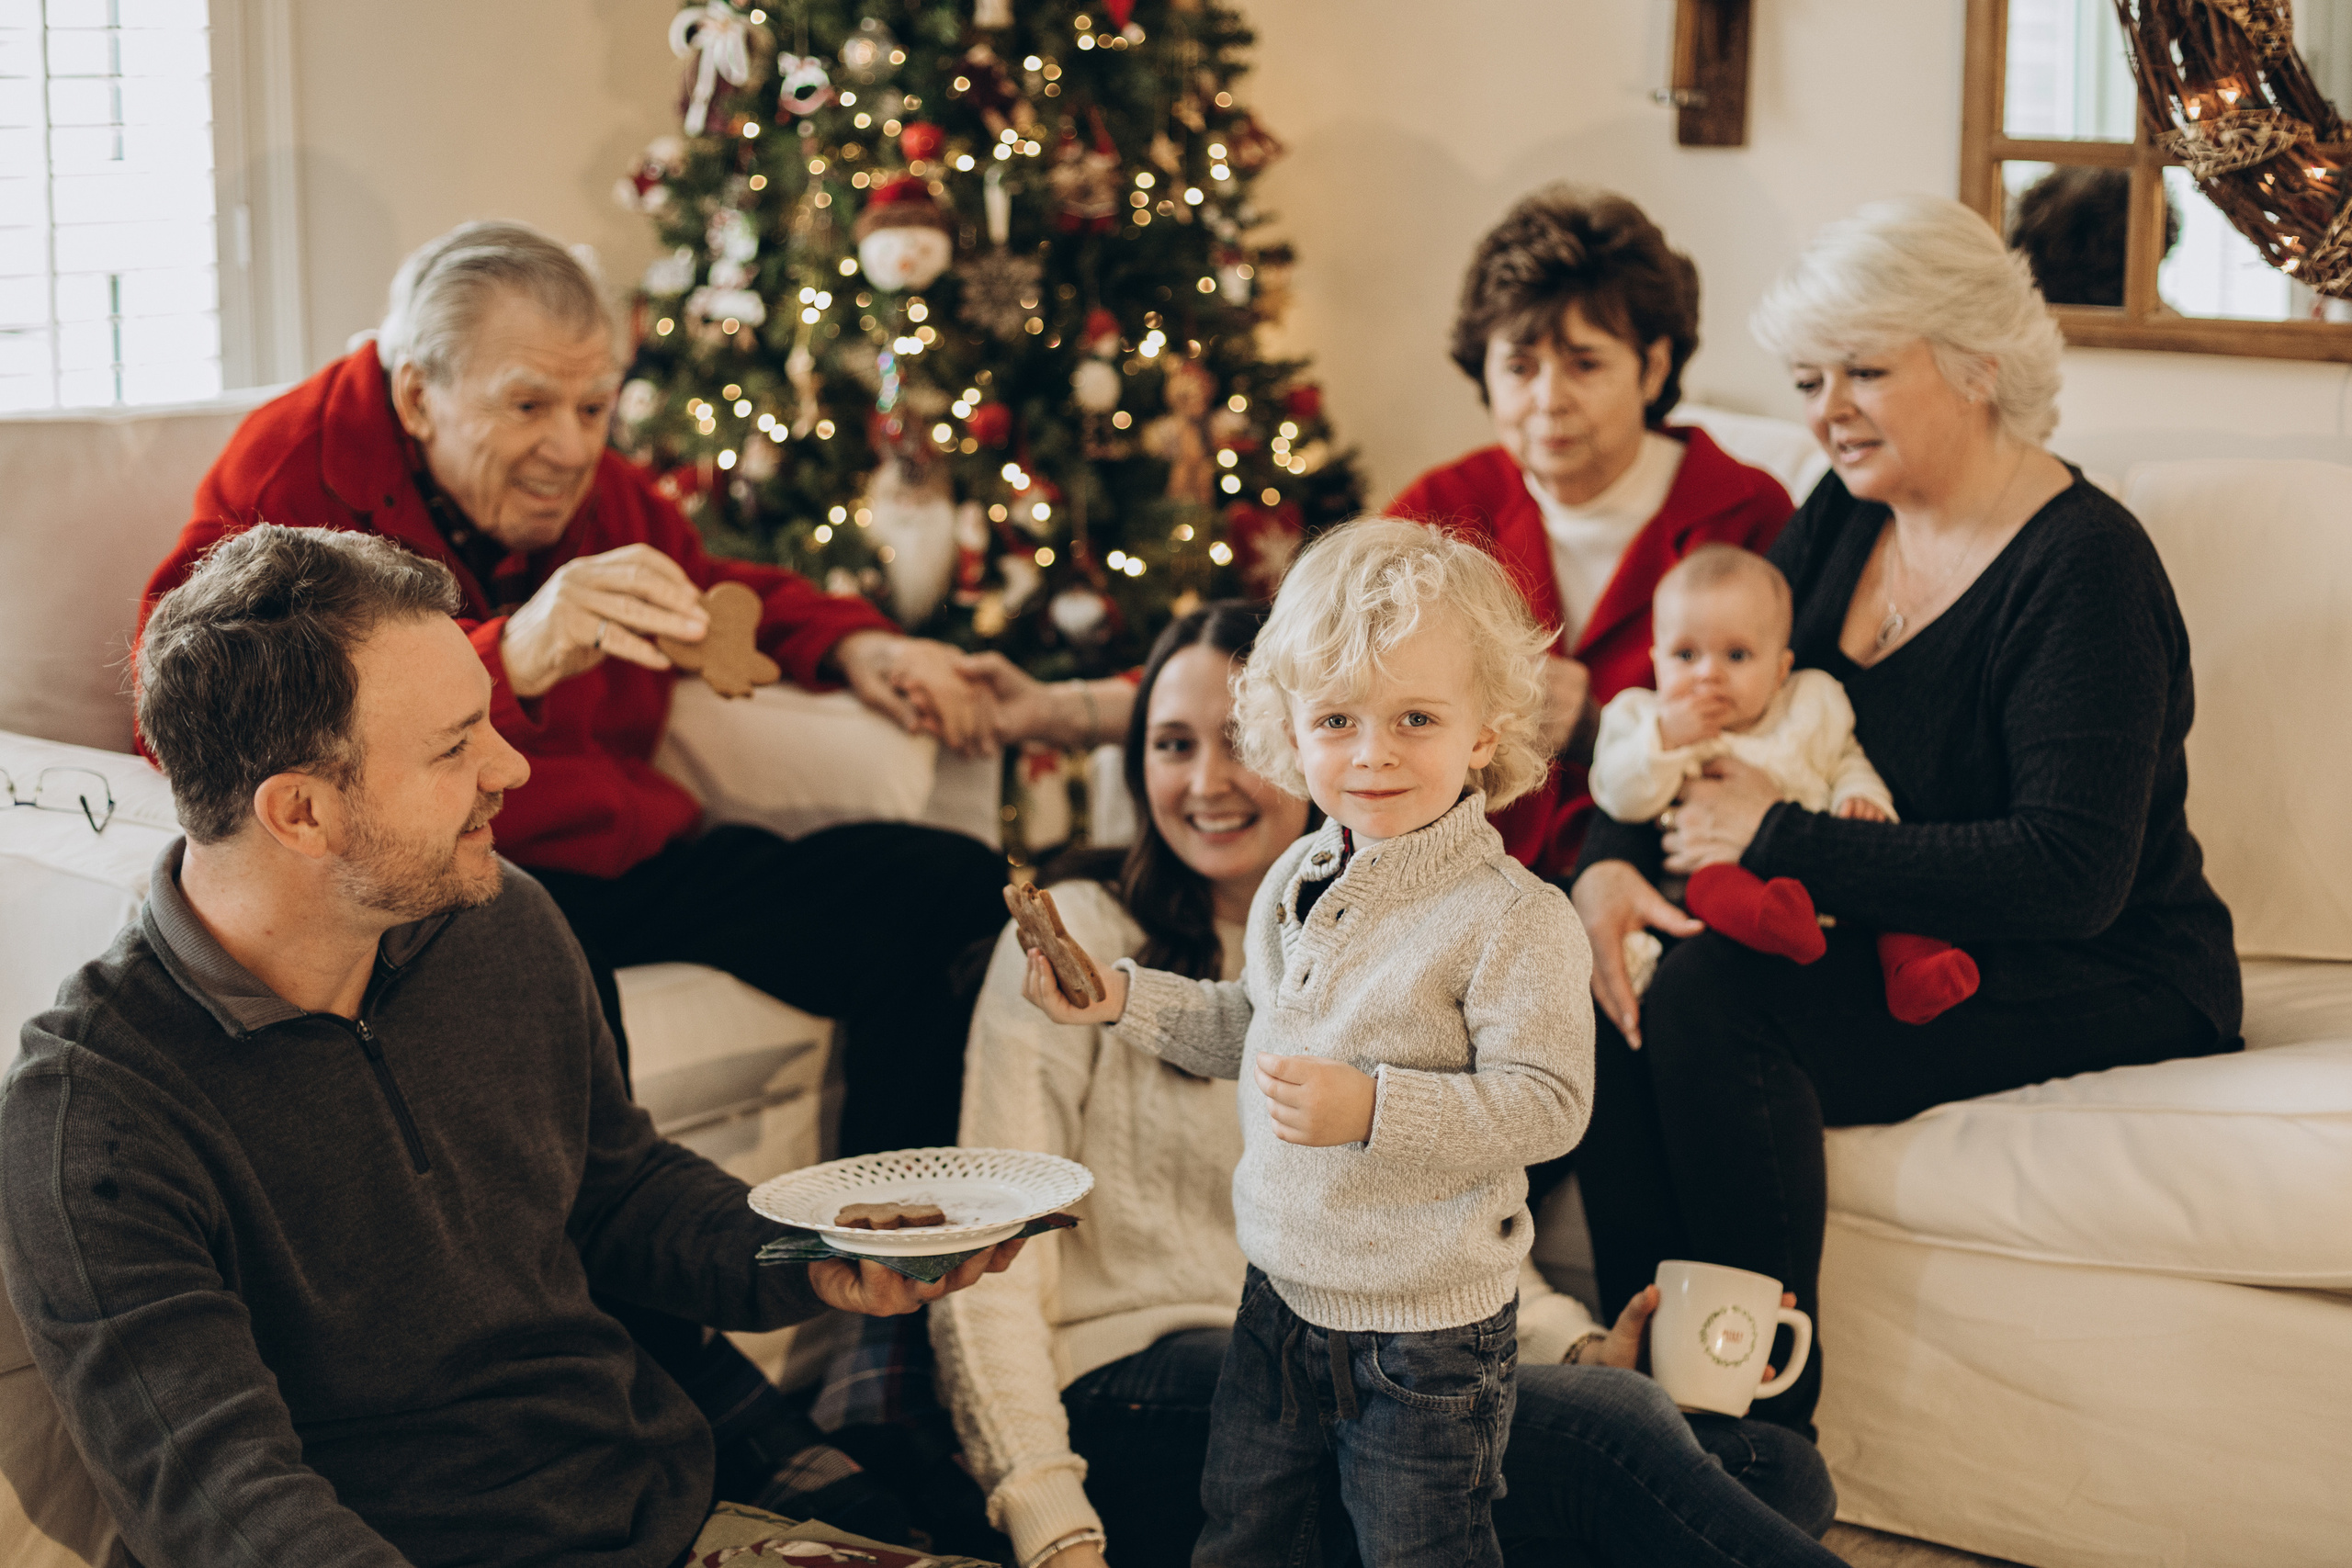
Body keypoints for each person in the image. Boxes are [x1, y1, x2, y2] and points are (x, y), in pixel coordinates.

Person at [0, 525, 1022, 1568]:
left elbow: (617, 1193)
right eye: (454, 747)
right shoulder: (95, 1119)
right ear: (301, 812)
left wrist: (813, 1250)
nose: (513, 766)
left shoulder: (499, 918)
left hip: (664, 1519)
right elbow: (219, 1503)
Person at [935, 601, 1841, 1568]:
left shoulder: (1426, 925)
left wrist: (1577, 1350)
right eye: (1170, 743)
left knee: (1771, 1464)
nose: (1206, 781)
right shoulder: (1082, 932)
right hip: (1156, 1381)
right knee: (1612, 1441)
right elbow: (984, 1239)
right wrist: (1049, 1518)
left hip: (1380, 1349)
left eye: (1232, 742)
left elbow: (1435, 1217)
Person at [1568, 195, 2244, 1438]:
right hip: (1881, 925)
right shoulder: (1842, 514)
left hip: (2108, 960)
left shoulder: (2083, 566)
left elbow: (2071, 871)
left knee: (1714, 1000)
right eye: (1809, 379)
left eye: (1864, 371)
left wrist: (1776, 838)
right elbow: (1704, 697)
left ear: (1980, 364)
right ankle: (1637, 1412)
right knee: (1612, 984)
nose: (1826, 409)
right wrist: (1607, 867)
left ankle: (1755, 1434)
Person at [138, 220, 1003, 1157]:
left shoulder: (596, 493)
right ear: (420, 395)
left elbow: (704, 590)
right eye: (528, 406)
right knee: (550, 972)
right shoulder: (294, 470)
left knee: (948, 891)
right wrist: (509, 656)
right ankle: (623, 1261)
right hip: (454, 876)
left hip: (625, 853)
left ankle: (897, 1231)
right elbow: (184, 707)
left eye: (594, 409)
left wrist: (856, 647)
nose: (570, 449)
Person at [1023, 522, 1592, 1568]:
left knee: (1420, 1551)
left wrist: (1372, 1108)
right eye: (1337, 719)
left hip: (1427, 1337)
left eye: (1415, 718)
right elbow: (1257, 1031)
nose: (1372, 752)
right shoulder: (1299, 877)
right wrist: (1121, 1000)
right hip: (1277, 1298)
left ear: (1485, 732)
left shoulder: (1513, 919)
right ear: (1290, 729)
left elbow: (1549, 1105)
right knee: (1244, 1533)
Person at [1388, 185, 1796, 879]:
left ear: (1654, 368)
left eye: (1585, 363)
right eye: (1519, 367)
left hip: (1672, 886)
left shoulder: (1747, 513)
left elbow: (1794, 742)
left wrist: (1602, 727)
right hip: (1454, 888)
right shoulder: (1436, 512)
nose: (1549, 400)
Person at [1588, 544, 1978, 1024]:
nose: (1708, 673)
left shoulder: (1811, 704)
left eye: (1736, 655)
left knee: (1893, 902)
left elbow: (1845, 760)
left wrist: (1861, 795)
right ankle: (1773, 920)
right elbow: (1619, 797)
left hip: (1833, 875)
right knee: (1712, 888)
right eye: (1685, 655)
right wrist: (1665, 739)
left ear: (1779, 670)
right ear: (1655, 662)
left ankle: (1917, 974)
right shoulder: (1642, 720)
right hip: (1719, 878)